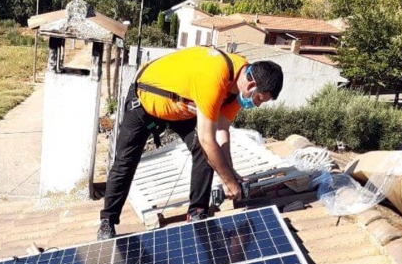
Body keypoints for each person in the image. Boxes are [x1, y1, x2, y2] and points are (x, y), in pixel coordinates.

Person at [97, 46, 284, 240]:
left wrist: (231, 174)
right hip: (146, 101)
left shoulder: (238, 88)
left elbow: (221, 130)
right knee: (125, 163)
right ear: (251, 84)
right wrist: (229, 181)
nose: (257, 104)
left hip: (182, 108)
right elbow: (207, 139)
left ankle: (197, 213)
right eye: (259, 99)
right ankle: (107, 221)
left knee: (204, 151)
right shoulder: (214, 76)